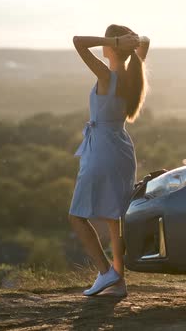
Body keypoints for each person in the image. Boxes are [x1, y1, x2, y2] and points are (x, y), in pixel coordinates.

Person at [68, 25, 150, 297]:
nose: (103, 44)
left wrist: (115, 39)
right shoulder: (131, 75)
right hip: (121, 148)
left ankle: (106, 273)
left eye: (108, 40)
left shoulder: (107, 75)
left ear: (113, 47)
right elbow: (145, 41)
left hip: (102, 149)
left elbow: (78, 41)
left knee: (77, 216)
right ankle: (119, 282)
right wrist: (127, 42)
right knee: (115, 217)